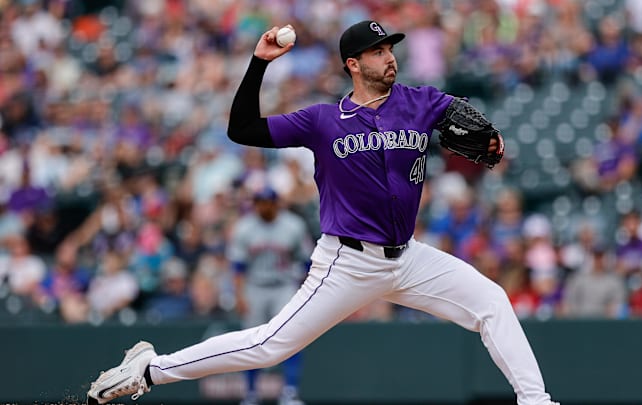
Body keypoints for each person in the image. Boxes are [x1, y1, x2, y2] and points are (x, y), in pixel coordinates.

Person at [87, 21, 558, 405]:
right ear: (353, 64)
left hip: (408, 257)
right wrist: (258, 64)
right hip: (348, 262)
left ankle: (535, 402)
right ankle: (151, 369)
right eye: (376, 51)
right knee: (269, 346)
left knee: (492, 301)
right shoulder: (322, 121)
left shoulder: (420, 101)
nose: (389, 56)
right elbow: (243, 128)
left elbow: (467, 118)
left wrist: (491, 138)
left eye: (390, 47)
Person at [228, 186, 312, 405]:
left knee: (291, 335)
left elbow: (307, 261)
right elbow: (238, 267)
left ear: (276, 203)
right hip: (254, 286)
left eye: (267, 202)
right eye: (260, 202)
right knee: (251, 340)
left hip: (283, 285)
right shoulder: (245, 227)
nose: (264, 206)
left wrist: (305, 289)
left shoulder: (293, 225)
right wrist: (239, 295)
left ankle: (290, 392)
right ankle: (251, 393)